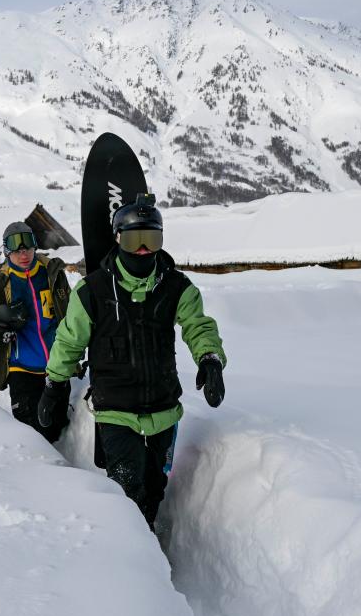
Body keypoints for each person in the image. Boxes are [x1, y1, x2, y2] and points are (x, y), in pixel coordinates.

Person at [38, 193, 226, 529]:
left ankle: (148, 544)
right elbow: (69, 341)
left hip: (164, 409)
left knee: (154, 489)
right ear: (117, 239)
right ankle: (133, 558)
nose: (142, 249)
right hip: (116, 410)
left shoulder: (176, 287)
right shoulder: (92, 291)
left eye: (150, 239)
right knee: (128, 490)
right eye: (133, 239)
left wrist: (209, 359)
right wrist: (55, 384)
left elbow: (198, 325)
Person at [0, 221, 72, 442]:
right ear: (7, 252)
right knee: (30, 434)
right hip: (21, 368)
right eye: (17, 251)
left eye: (28, 249)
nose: (24, 255)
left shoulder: (52, 273)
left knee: (55, 427)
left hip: (56, 366)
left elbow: (72, 311)